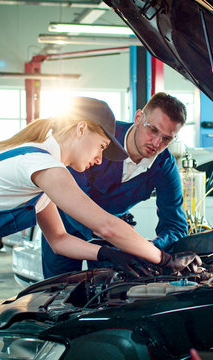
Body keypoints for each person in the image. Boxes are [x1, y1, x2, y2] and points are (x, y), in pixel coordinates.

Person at [0, 97, 199, 360]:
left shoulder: (41, 178)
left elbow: (59, 240)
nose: (101, 161)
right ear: (81, 130)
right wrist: (163, 259)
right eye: (100, 147)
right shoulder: (42, 163)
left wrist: (105, 253)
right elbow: (105, 224)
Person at [42, 92, 189, 278]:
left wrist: (149, 248)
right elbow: (74, 196)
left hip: (113, 237)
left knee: (110, 295)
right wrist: (116, 237)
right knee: (57, 292)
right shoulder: (101, 137)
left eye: (167, 139)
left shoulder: (164, 165)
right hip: (66, 227)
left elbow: (175, 225)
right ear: (138, 118)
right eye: (153, 129)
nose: (157, 143)